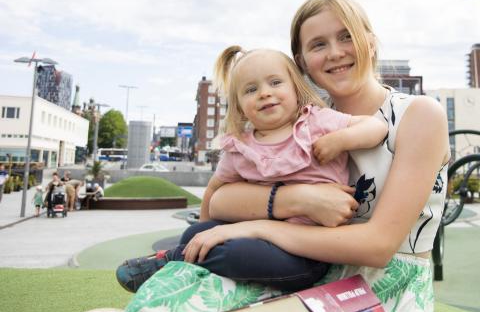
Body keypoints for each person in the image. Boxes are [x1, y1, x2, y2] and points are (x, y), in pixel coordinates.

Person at [124, 0, 449, 312]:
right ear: (301, 62)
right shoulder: (299, 123)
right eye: (318, 44)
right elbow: (221, 200)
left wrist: (256, 227)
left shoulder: (417, 115)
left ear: (372, 41)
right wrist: (301, 199)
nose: (335, 53)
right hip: (301, 273)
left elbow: (378, 247)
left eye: (346, 36)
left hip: (384, 288)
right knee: (163, 303)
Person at [116, 45, 388, 293]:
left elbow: (376, 127)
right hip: (251, 233)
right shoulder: (242, 147)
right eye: (250, 89)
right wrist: (203, 228)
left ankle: (177, 258)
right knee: (195, 236)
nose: (265, 93)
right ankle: (189, 257)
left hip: (307, 253)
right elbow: (215, 188)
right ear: (240, 107)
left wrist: (340, 139)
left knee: (234, 254)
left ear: (296, 88)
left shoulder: (316, 123)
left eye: (275, 82)